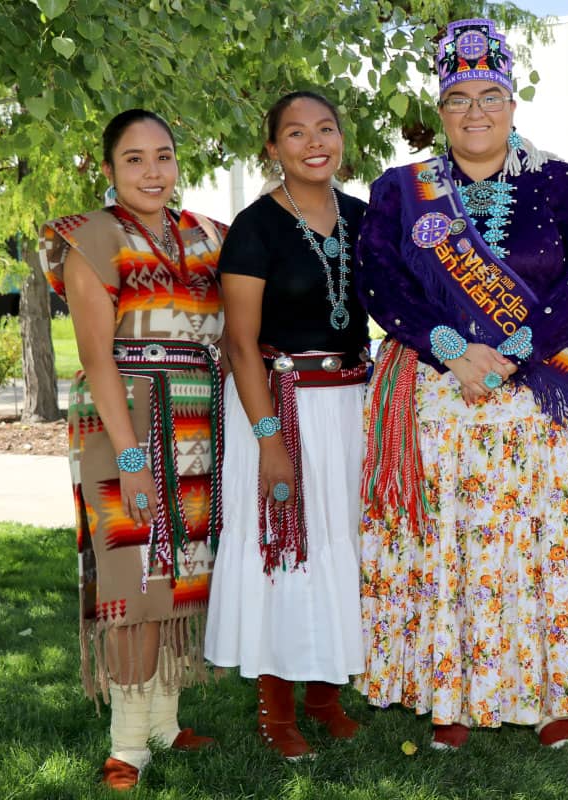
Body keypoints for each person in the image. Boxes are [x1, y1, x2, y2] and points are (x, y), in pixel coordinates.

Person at [354, 17, 568, 751]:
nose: (475, 111)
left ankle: (556, 697)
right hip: (442, 393)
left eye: (490, 95)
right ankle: (450, 695)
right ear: (439, 110)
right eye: (458, 98)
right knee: (452, 547)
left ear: (513, 104)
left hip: (544, 396)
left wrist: (513, 349)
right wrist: (451, 346)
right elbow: (380, 279)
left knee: (546, 545)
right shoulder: (400, 190)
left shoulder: (561, 183)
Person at [38, 109, 225, 790]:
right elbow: (96, 354)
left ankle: (166, 721)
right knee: (132, 580)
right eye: (135, 159)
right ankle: (128, 743)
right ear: (110, 168)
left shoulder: (207, 236)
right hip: (124, 418)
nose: (153, 171)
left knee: (179, 575)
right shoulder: (92, 236)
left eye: (164, 156)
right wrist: (130, 456)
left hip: (197, 421)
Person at [204, 91, 370, 761]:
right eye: (295, 133)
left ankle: (327, 695)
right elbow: (240, 344)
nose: (313, 142)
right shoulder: (256, 226)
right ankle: (277, 707)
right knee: (285, 546)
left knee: (343, 540)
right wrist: (270, 441)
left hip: (350, 402)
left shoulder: (365, 218)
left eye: (325, 128)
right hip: (280, 405)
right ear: (272, 148)